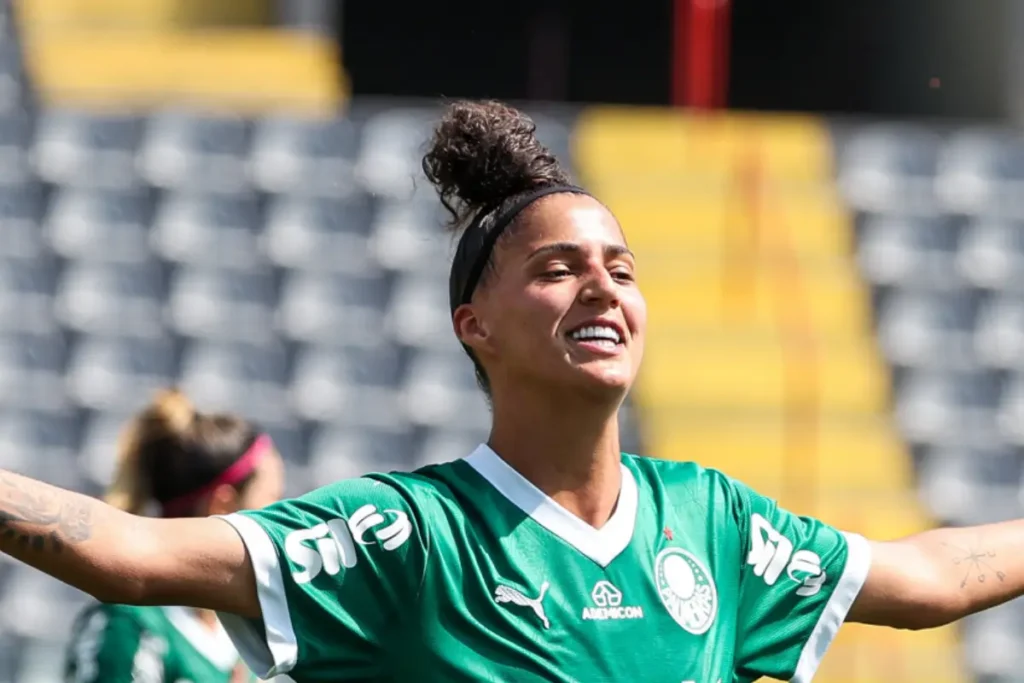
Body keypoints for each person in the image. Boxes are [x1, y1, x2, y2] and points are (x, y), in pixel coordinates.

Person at [0, 99, 1021, 683]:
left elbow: (927, 579)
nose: (604, 288)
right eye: (558, 267)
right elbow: (125, 553)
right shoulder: (408, 537)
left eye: (621, 267)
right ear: (473, 326)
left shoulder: (711, 521)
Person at [63, 390, 285, 683]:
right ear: (223, 504)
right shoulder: (127, 625)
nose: (280, 523)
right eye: (272, 500)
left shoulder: (246, 636)